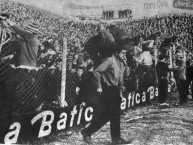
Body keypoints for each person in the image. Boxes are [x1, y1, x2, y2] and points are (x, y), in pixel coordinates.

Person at [81, 45, 131, 144]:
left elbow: (122, 77)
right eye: (123, 53)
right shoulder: (109, 61)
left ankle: (116, 139)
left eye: (125, 53)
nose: (124, 55)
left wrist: (121, 89)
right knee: (106, 116)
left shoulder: (121, 62)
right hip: (108, 91)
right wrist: (99, 86)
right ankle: (87, 132)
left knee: (116, 116)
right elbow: (97, 72)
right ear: (117, 53)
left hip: (116, 91)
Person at [0, 16, 41, 114]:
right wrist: (12, 56)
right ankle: (12, 107)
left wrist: (7, 21)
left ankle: (19, 107)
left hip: (26, 70)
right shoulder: (30, 40)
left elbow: (19, 30)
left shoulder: (31, 37)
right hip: (25, 69)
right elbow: (23, 51)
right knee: (6, 85)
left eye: (27, 30)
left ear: (31, 31)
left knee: (8, 85)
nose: (25, 31)